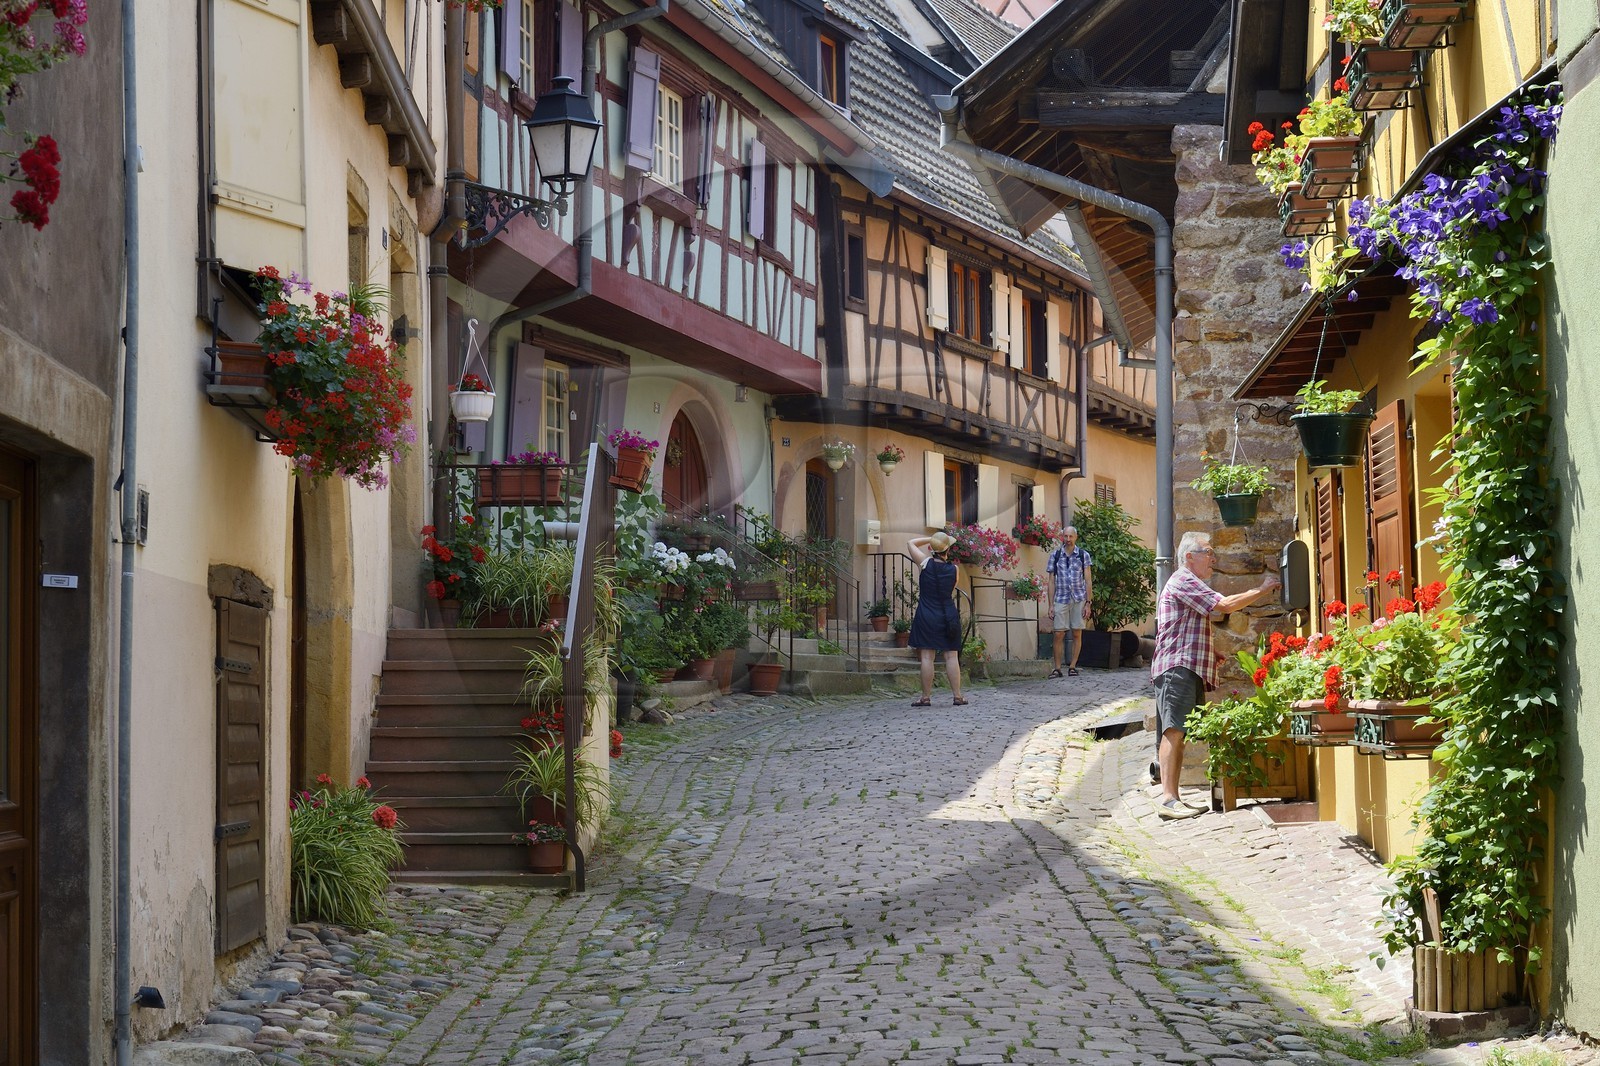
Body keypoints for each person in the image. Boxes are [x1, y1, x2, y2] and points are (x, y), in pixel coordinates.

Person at [1149, 531, 1280, 820]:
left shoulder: (1187, 582)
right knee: (1174, 731)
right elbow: (1225, 605)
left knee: (1179, 732)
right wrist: (1263, 589)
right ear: (1189, 557)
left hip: (1183, 665)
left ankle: (1174, 799)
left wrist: (1211, 652)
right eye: (1208, 553)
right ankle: (1168, 800)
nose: (1213, 559)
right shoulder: (1184, 580)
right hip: (1177, 666)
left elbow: (1184, 626)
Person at [906, 532, 966, 707]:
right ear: (948, 550)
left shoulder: (924, 563)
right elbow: (950, 590)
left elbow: (910, 543)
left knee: (926, 657)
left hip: (926, 614)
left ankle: (925, 697)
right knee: (951, 656)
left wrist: (930, 538)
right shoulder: (954, 570)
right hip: (948, 614)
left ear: (932, 549)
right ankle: (957, 696)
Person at [1043, 525, 1093, 678]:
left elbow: (1088, 580)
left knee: (1077, 633)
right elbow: (1051, 581)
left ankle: (1072, 666)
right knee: (1058, 633)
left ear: (1075, 537)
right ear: (1062, 537)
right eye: (1066, 536)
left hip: (1078, 598)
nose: (1068, 539)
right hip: (1061, 598)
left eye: (1071, 536)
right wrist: (1050, 605)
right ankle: (1057, 668)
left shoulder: (1083, 555)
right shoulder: (1055, 555)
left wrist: (1088, 603)